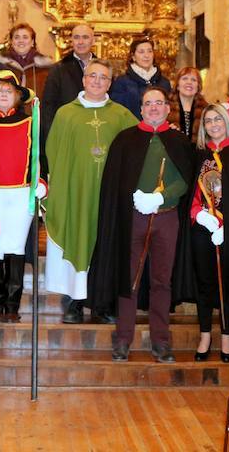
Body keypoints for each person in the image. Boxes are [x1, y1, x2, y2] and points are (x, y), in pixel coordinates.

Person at [88, 87, 193, 363]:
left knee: (162, 281)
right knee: (129, 279)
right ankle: (123, 338)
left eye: (159, 103)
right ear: (142, 109)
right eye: (149, 104)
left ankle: (161, 341)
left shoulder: (180, 142)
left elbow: (185, 180)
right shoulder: (126, 140)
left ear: (168, 109)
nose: (154, 108)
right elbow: (116, 181)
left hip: (167, 218)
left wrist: (162, 196)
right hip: (133, 217)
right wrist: (135, 196)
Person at [44, 58, 137, 323]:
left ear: (110, 82)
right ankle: (75, 302)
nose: (97, 81)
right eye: (93, 76)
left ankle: (103, 304)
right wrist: (61, 190)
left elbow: (139, 143)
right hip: (77, 192)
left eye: (103, 77)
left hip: (109, 194)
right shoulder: (66, 113)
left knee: (105, 243)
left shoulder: (120, 115)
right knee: (79, 240)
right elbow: (55, 153)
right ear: (84, 79)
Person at [182, 103, 229, 364]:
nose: (213, 125)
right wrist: (199, 215)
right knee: (204, 284)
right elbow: (192, 192)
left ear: (226, 122)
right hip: (202, 228)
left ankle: (226, 334)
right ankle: (204, 335)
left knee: (227, 284)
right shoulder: (198, 153)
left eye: (218, 120)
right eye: (208, 121)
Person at [0, 71, 44, 322]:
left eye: (9, 91)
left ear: (17, 96)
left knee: (15, 248)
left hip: (20, 193)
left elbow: (40, 157)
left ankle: (12, 304)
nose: (4, 94)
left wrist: (41, 182)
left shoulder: (29, 122)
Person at [41, 23, 96, 139]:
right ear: (71, 40)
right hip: (66, 131)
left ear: (93, 40)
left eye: (85, 37)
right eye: (76, 37)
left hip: (96, 129)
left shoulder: (103, 68)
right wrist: (51, 136)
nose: (80, 42)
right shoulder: (58, 69)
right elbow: (48, 106)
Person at [109, 37, 172, 119]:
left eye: (149, 51)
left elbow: (170, 111)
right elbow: (117, 112)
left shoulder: (164, 82)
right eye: (141, 52)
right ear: (133, 57)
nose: (146, 55)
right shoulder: (122, 82)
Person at [0, 22, 53, 100]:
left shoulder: (46, 69)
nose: (21, 41)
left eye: (25, 37)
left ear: (32, 41)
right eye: (17, 37)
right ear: (11, 41)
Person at [166, 66, 208, 144]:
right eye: (185, 78)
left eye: (193, 80)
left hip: (199, 153)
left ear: (198, 86)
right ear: (177, 85)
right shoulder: (166, 107)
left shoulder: (206, 109)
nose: (189, 82)